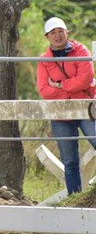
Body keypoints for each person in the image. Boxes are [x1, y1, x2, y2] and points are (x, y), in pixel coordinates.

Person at [36, 17, 96, 195]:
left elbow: (86, 78)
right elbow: (45, 90)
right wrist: (73, 89)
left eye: (60, 31)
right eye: (52, 33)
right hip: (61, 115)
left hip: (85, 108)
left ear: (67, 32)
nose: (57, 35)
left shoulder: (80, 50)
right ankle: (75, 201)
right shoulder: (44, 59)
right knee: (70, 162)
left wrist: (61, 85)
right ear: (47, 37)